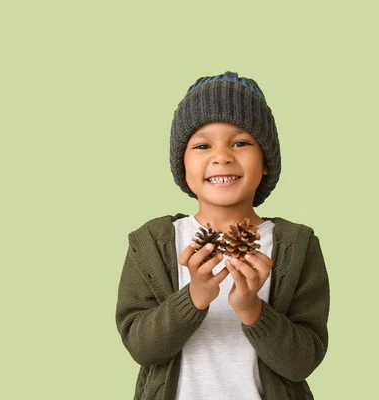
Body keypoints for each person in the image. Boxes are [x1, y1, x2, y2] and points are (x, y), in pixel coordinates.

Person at [115, 71, 330, 400]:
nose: (222, 156)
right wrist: (195, 296)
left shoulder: (297, 245)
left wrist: (252, 310)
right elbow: (142, 348)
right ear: (182, 166)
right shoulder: (152, 243)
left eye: (241, 142)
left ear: (266, 163)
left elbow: (302, 361)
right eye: (202, 145)